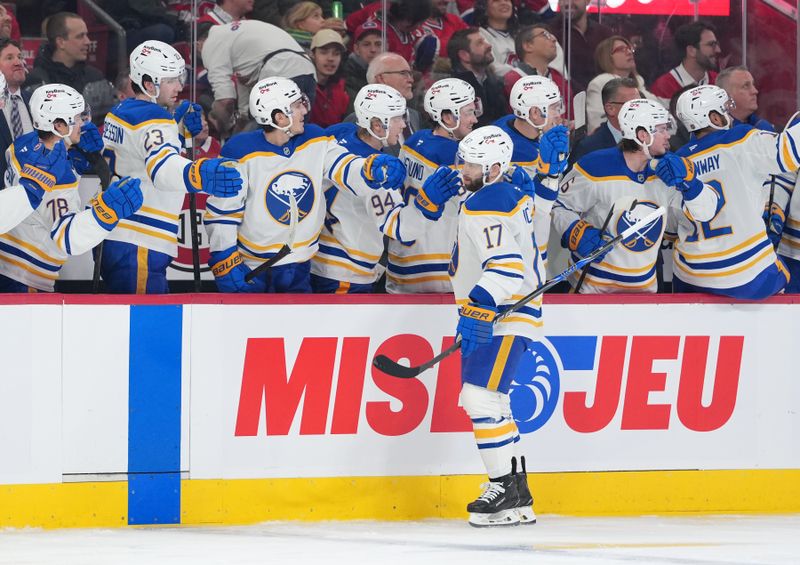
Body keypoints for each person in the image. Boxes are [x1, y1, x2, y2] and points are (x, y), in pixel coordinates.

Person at [451, 125, 566, 527]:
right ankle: (517, 495)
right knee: (494, 403)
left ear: (495, 167)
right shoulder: (507, 193)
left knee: (479, 399)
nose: (460, 168)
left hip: (504, 313)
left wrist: (478, 305)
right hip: (510, 311)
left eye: (469, 162)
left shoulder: (490, 200)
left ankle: (501, 488)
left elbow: (506, 267)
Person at [204, 76, 407, 293]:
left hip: (301, 270)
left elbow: (343, 165)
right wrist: (224, 256)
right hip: (254, 270)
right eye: (297, 106)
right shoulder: (240, 152)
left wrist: (371, 168)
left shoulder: (314, 139)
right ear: (280, 117)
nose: (304, 110)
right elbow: (222, 213)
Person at [100, 41, 244, 294]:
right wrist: (200, 174)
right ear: (147, 84)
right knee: (144, 325)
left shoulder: (121, 111)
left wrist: (178, 133)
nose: (179, 86)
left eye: (180, 77)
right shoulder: (154, 119)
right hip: (140, 239)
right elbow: (162, 169)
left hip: (121, 236)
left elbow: (141, 157)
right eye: (169, 80)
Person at [552, 98, 719, 293]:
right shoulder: (595, 166)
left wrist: (691, 184)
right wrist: (575, 231)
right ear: (642, 135)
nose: (668, 136)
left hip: (644, 293)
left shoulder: (669, 172)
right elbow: (558, 204)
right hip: (591, 291)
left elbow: (706, 213)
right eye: (662, 129)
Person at [310, 84, 460, 293]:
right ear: (377, 125)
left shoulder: (339, 134)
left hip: (322, 261)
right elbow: (400, 228)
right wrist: (428, 203)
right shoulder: (379, 175)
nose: (403, 124)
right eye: (397, 118)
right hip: (345, 273)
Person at [0, 84, 143, 292]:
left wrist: (74, 162)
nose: (83, 124)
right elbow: (67, 237)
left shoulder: (23, 143)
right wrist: (104, 214)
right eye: (76, 119)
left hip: (7, 263)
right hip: (27, 277)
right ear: (59, 125)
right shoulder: (57, 178)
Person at [672, 85, 800, 299]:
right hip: (745, 275)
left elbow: (671, 227)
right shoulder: (740, 138)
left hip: (691, 275)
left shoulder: (678, 160)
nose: (728, 114)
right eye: (723, 109)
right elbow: (788, 153)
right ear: (713, 117)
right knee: (789, 274)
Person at [387, 77, 479, 293]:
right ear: (447, 117)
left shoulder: (413, 141)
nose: (474, 119)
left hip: (400, 262)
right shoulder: (454, 156)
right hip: (436, 268)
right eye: (468, 113)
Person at [495, 75, 569, 272]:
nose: (559, 114)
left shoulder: (509, 124)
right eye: (554, 107)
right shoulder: (512, 153)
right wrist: (549, 173)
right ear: (535, 113)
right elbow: (533, 209)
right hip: (516, 259)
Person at [200, 20, 317, 138]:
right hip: (308, 71)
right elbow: (244, 112)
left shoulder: (211, 42)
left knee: (261, 143)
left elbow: (225, 100)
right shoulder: (239, 38)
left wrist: (221, 124)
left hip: (279, 71)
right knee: (295, 140)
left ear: (198, 43)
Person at [23, 13, 115, 125]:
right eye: (80, 36)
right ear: (61, 42)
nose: (87, 41)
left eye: (87, 35)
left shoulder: (95, 78)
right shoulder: (35, 82)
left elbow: (107, 125)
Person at [585, 36, 660, 134]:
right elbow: (596, 125)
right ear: (607, 56)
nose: (629, 52)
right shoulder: (600, 83)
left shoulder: (639, 84)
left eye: (630, 48)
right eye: (621, 50)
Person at [569, 76, 640, 164]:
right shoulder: (589, 149)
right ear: (610, 109)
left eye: (641, 104)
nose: (640, 110)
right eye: (633, 105)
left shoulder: (652, 142)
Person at [649, 21, 721, 106]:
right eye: (711, 45)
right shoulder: (664, 87)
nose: (718, 50)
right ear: (691, 51)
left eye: (716, 44)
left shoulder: (718, 81)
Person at [549, 0, 612, 95]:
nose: (567, 3)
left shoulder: (603, 33)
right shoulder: (551, 33)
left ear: (587, 1)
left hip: (602, 97)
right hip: (567, 98)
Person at [448, 28, 506, 127]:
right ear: (464, 55)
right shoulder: (453, 90)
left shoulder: (495, 82)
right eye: (480, 43)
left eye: (485, 41)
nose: (489, 45)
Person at [503, 25, 568, 107]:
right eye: (545, 35)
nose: (554, 39)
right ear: (528, 46)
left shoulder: (559, 79)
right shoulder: (513, 80)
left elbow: (571, 116)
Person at [0, 39, 33, 188]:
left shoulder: (36, 102)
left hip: (36, 197)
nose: (18, 62)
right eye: (9, 58)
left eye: (20, 57)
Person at [308, 30, 349, 128]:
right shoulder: (302, 86)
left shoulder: (343, 88)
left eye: (336, 53)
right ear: (312, 54)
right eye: (324, 52)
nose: (331, 58)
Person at [474, 0, 518, 79]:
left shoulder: (521, 35)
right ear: (484, 8)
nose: (503, 3)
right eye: (496, 0)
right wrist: (523, 72)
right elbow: (493, 69)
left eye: (507, 0)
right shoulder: (479, 35)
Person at [343, 23, 383, 110]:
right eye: (366, 44)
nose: (373, 50)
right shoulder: (345, 76)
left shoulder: (391, 73)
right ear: (356, 49)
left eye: (378, 44)